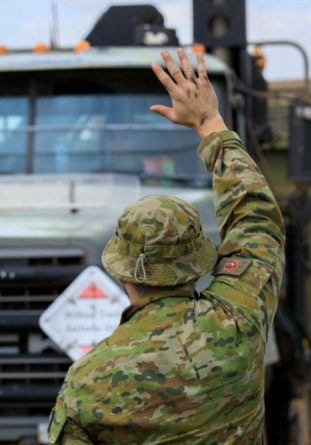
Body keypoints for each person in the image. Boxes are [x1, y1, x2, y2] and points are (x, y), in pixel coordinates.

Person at [48, 48, 286, 444]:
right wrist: (209, 122)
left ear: (121, 273)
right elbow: (256, 219)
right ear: (197, 263)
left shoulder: (87, 382)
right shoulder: (239, 323)